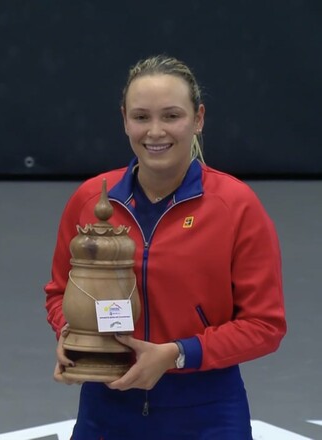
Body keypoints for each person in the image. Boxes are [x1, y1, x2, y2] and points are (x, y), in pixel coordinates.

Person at [44, 55, 286, 439]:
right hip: (106, 407)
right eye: (141, 117)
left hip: (207, 412)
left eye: (171, 116)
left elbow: (265, 325)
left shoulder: (237, 206)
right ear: (124, 120)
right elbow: (59, 292)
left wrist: (176, 353)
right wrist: (71, 334)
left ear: (198, 118)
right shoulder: (90, 200)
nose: (155, 132)